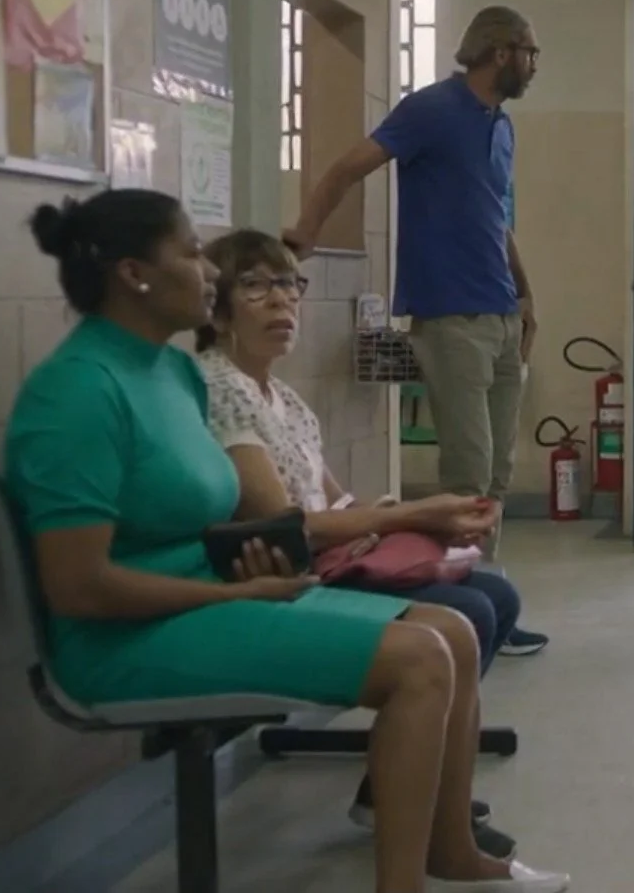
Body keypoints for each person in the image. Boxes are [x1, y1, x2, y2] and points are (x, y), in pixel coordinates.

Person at [2, 190, 568, 893]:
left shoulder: (170, 372)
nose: (209, 272)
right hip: (127, 640)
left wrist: (243, 560)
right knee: (420, 656)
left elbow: (189, 516)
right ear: (133, 274)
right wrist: (237, 590)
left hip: (208, 596)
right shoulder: (77, 392)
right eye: (191, 252)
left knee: (452, 631)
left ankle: (449, 852)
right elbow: (80, 588)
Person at [195, 229, 526, 856]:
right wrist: (413, 516)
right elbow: (287, 523)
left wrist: (420, 519)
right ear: (218, 309)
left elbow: (337, 503)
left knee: (497, 597)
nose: (281, 302)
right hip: (295, 571)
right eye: (256, 287)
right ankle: (412, 795)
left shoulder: (282, 397)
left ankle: (396, 783)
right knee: (469, 610)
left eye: (289, 285)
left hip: (334, 556)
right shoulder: (220, 389)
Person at [285, 6, 548, 657]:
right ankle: (458, 600)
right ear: (499, 51)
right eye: (529, 52)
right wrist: (305, 233)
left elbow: (497, 217)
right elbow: (349, 166)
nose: (534, 65)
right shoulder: (432, 109)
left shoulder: (501, 125)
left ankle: (488, 597)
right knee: (467, 470)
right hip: (450, 315)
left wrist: (526, 294)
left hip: (500, 313)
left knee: (497, 471)